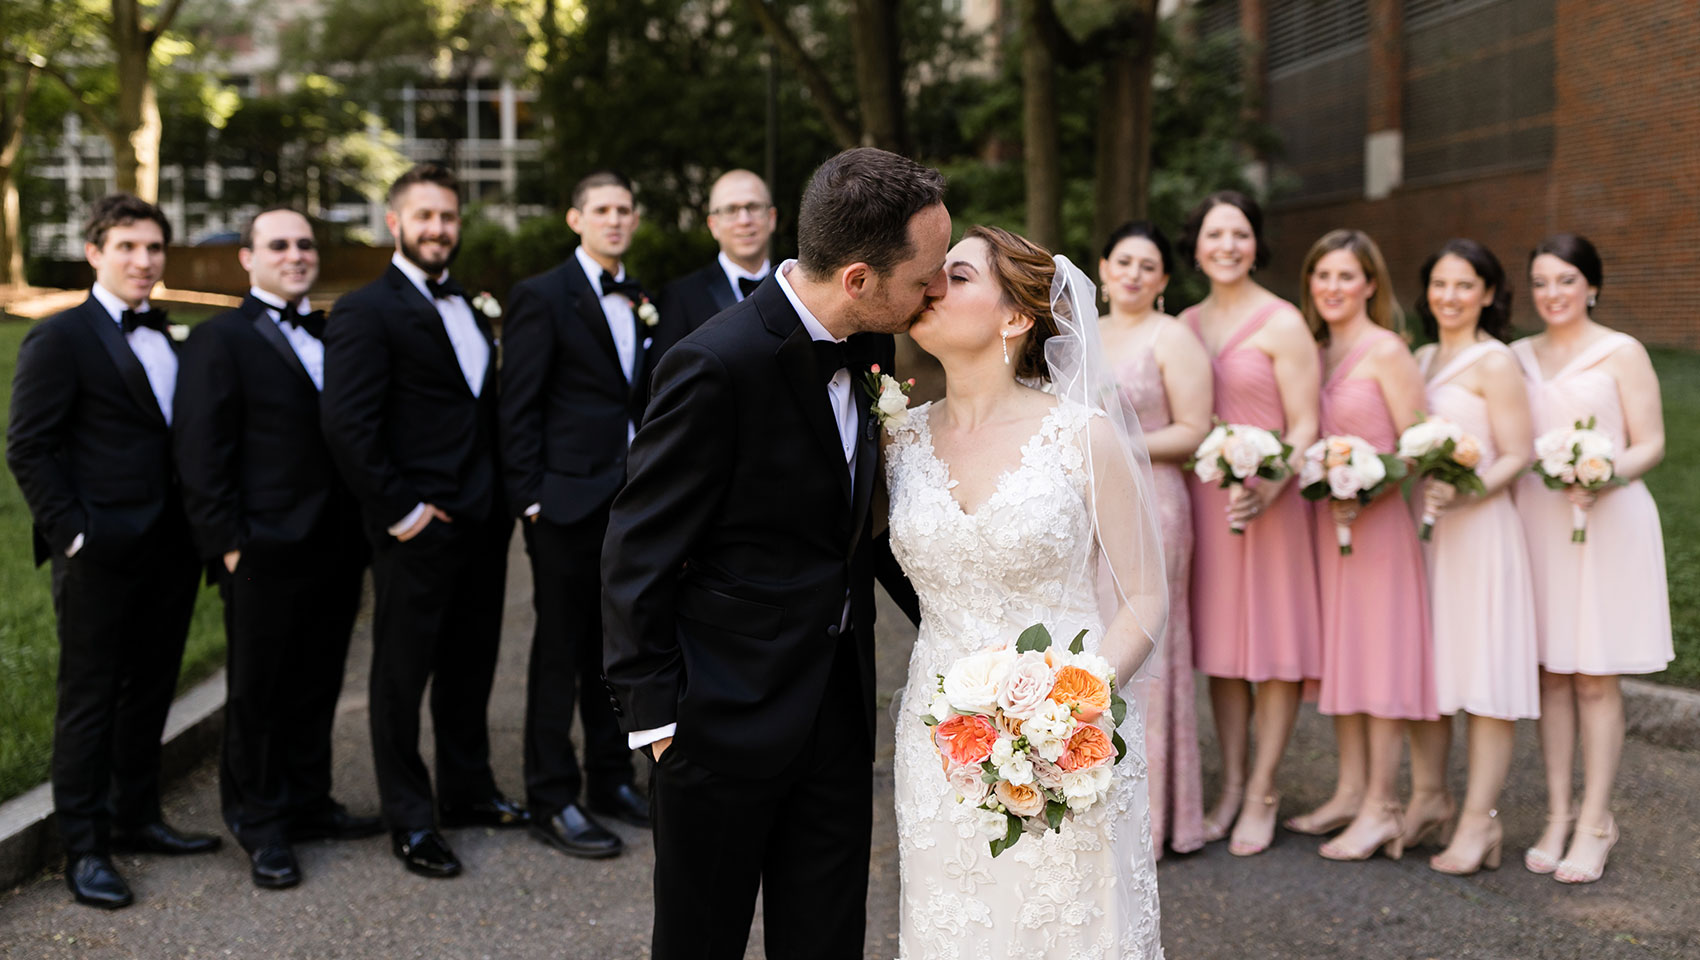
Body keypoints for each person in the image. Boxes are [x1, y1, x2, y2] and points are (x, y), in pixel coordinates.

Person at [601, 146, 932, 960]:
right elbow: (635, 550)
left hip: (836, 711)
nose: (936, 291)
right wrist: (658, 724)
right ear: (859, 278)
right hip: (719, 718)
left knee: (825, 940)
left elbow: (866, 527)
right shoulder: (716, 364)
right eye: (925, 277)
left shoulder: (869, 347)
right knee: (700, 942)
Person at [887, 225, 1166, 958]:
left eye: (958, 275)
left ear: (1015, 317)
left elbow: (1144, 596)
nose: (931, 286)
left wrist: (1070, 716)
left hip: (1072, 730)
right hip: (936, 734)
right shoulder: (896, 442)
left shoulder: (1083, 436)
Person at [6, 194, 218, 909]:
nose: (143, 261)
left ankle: (135, 817)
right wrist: (72, 533)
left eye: (154, 248)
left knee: (151, 688)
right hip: (98, 551)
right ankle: (85, 847)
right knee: (90, 699)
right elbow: (28, 447)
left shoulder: (171, 336)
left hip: (170, 550)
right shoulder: (60, 339)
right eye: (127, 246)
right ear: (94, 252)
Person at [321, 163, 522, 880]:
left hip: (481, 523)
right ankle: (410, 818)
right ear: (395, 224)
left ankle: (467, 791)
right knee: (401, 678)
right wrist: (403, 514)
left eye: (448, 217)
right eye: (425, 217)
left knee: (470, 667)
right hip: (415, 527)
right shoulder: (364, 310)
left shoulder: (469, 305)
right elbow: (347, 426)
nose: (439, 228)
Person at [173, 208, 380, 890]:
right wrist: (226, 545)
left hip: (336, 544)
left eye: (304, 245)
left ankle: (308, 801)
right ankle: (260, 824)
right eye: (280, 245)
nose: (296, 255)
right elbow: (202, 452)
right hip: (261, 547)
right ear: (248, 258)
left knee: (319, 681)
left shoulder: (331, 331)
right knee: (260, 690)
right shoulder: (218, 340)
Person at [499, 171, 652, 860]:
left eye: (624, 210)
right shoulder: (540, 296)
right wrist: (530, 497)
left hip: (629, 504)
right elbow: (518, 404)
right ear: (575, 219)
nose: (614, 220)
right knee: (559, 651)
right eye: (601, 210)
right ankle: (550, 795)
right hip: (563, 505)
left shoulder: (641, 296)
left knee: (614, 648)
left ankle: (609, 778)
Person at [1512, 234, 1671, 884]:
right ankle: (1557, 812)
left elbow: (1652, 442)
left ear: (1592, 287)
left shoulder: (1622, 351)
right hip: (1541, 518)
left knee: (1594, 677)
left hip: (1609, 520)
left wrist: (1605, 474)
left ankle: (1597, 819)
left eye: (1567, 280)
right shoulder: (1517, 356)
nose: (1553, 294)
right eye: (1543, 282)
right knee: (1551, 672)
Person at [1177, 191, 1322, 857]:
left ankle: (1264, 789)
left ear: (1256, 244)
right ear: (1198, 246)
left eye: (1239, 234)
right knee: (1225, 656)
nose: (1228, 245)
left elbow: (1304, 425)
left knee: (1274, 652)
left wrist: (1270, 486)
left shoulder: (1283, 322)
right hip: (1207, 501)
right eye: (1215, 234)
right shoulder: (1183, 322)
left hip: (1273, 502)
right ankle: (1231, 784)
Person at [1292, 229, 1434, 862]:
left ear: (1371, 284)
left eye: (1346, 276)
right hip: (1327, 528)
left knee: (1378, 664)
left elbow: (1418, 444)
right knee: (1340, 660)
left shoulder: (1387, 351)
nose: (1332, 288)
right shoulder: (1314, 350)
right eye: (1323, 276)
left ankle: (1383, 803)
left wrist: (1373, 483)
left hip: (1379, 532)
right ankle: (1349, 791)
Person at [1405, 240, 1539, 876]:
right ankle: (1430, 796)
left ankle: (1480, 821)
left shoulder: (1496, 361)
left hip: (1482, 534)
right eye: (1440, 283)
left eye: (1465, 285)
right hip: (1427, 535)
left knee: (1484, 682)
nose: (1450, 296)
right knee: (1430, 677)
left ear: (1488, 293)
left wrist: (1467, 490)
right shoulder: (1421, 356)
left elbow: (1517, 453)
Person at [1098, 220, 1212, 858]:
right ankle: (1097, 793)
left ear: (1164, 280)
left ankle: (1162, 816)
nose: (1135, 274)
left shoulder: (1174, 338)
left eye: (1148, 266)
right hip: (1092, 510)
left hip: (1156, 503)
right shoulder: (1079, 337)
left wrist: (1119, 444)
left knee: (1154, 651)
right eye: (1124, 261)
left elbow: (1194, 429)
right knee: (1100, 635)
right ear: (1104, 267)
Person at [654, 168, 777, 349]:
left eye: (753, 207)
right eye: (731, 210)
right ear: (713, 225)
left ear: (771, 218)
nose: (744, 220)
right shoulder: (679, 298)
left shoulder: (798, 287)